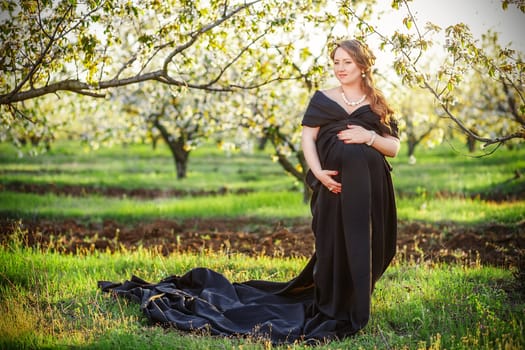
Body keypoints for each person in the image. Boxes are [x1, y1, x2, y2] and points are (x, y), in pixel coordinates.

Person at [99, 39, 400, 344]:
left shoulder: (377, 103)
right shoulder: (323, 98)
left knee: (369, 246)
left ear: (362, 65)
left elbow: (394, 147)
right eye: (335, 62)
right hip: (333, 191)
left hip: (370, 195)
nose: (339, 68)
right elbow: (308, 139)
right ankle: (336, 305)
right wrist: (319, 173)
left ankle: (357, 301)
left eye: (346, 62)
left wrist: (369, 136)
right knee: (334, 247)